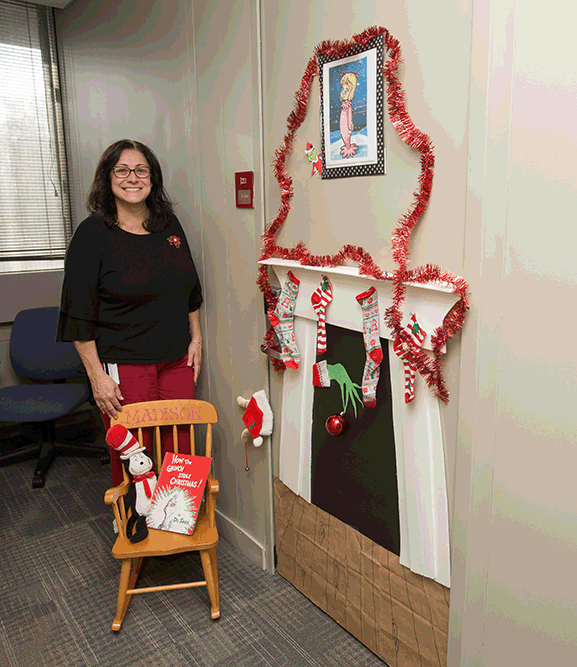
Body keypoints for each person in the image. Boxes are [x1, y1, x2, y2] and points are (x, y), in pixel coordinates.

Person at [57, 139, 203, 486]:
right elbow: (78, 314)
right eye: (121, 170)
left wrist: (195, 337)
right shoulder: (92, 235)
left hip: (176, 359)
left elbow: (189, 288)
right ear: (108, 178)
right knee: (135, 449)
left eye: (141, 170)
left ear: (152, 178)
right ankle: (134, 522)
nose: (132, 178)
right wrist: (97, 376)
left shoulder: (168, 224)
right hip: (125, 363)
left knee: (180, 446)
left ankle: (175, 522)